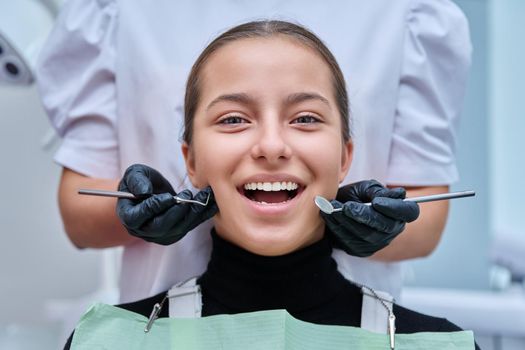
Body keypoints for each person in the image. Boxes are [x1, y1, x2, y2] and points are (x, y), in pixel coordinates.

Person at [64, 20, 477, 349]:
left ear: (345, 158)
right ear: (189, 160)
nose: (271, 146)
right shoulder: (106, 342)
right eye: (233, 119)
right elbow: (76, 214)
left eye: (305, 118)